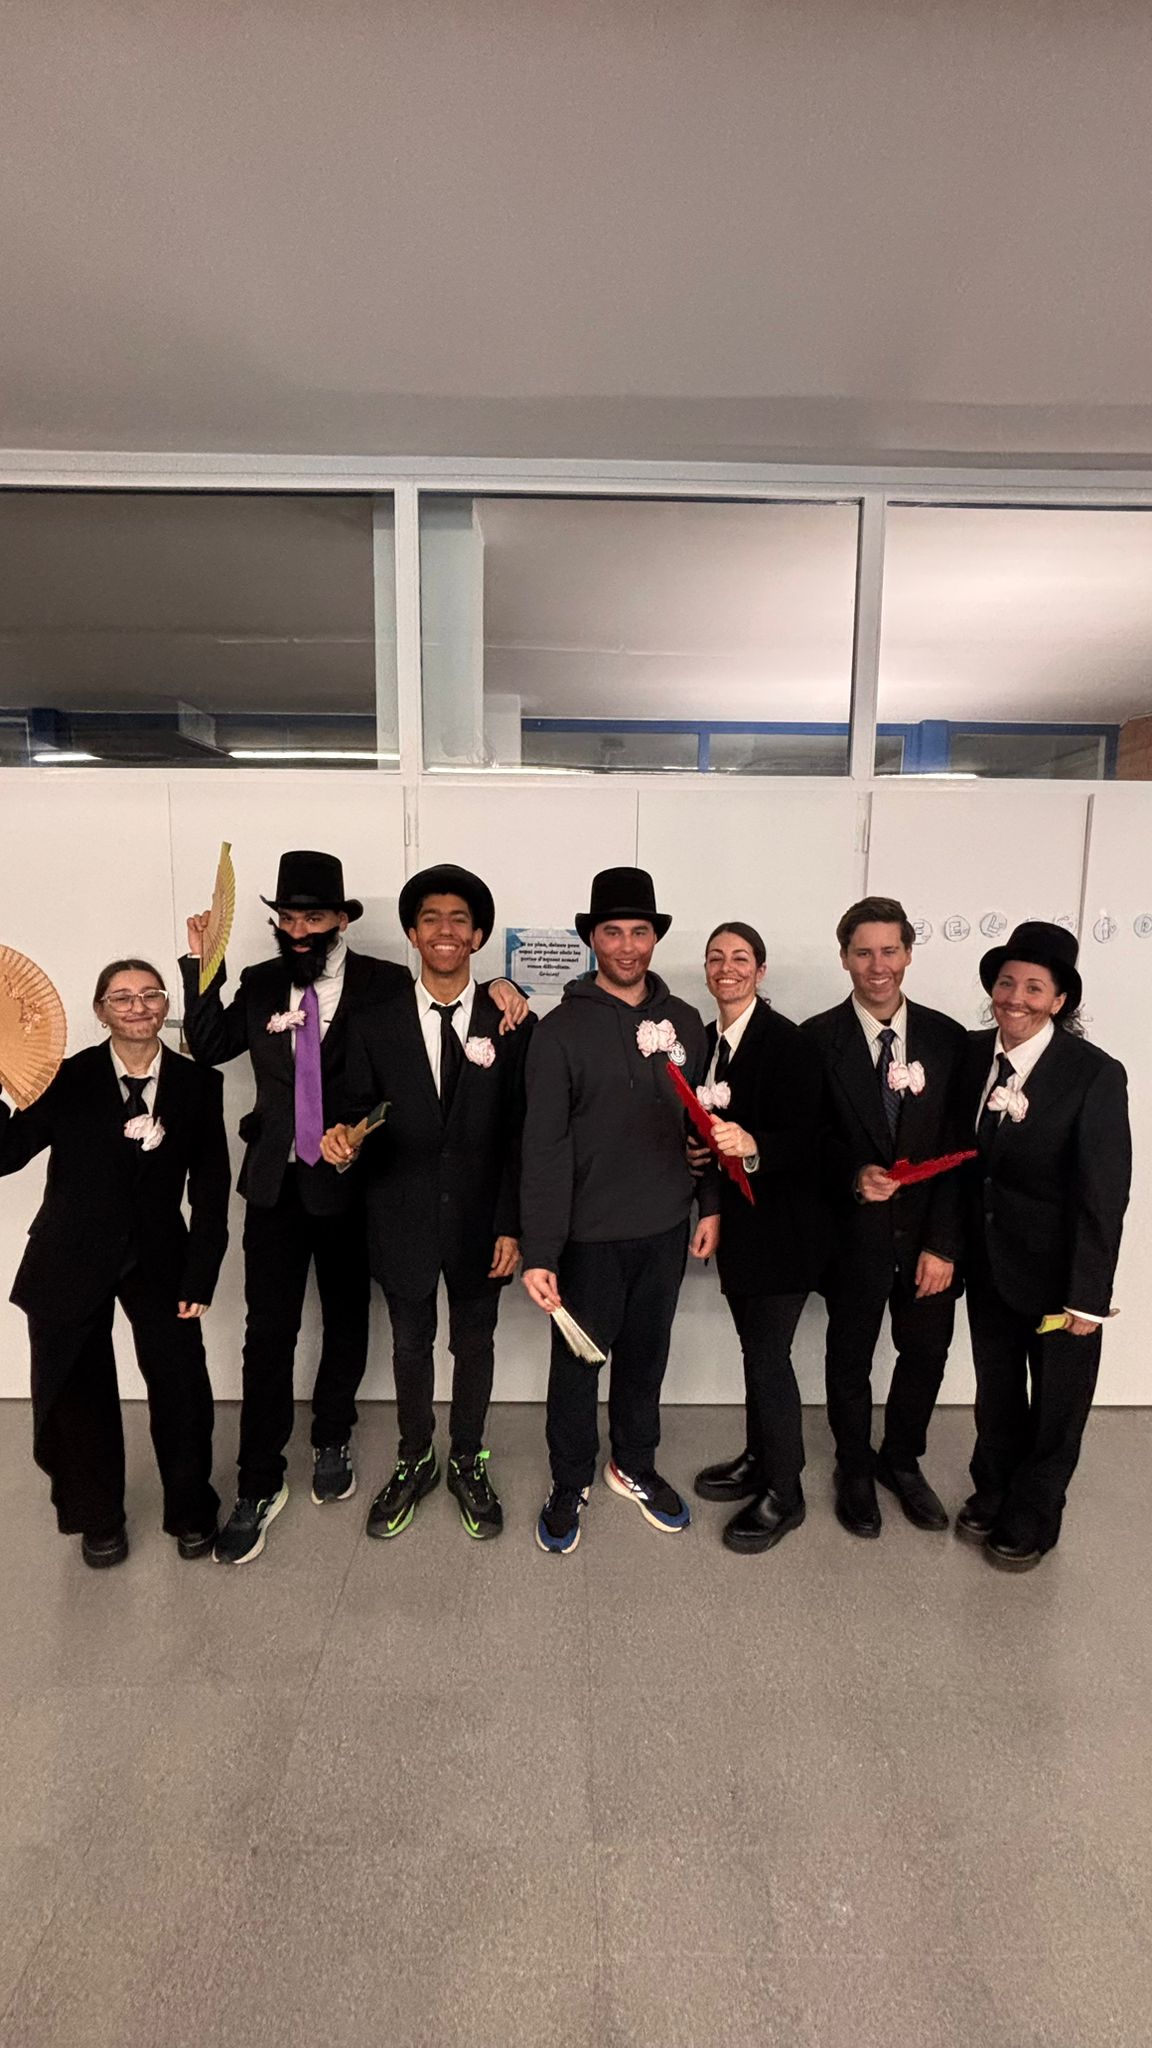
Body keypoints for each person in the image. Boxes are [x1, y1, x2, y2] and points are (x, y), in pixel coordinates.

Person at [182, 848, 527, 1564]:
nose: (299, 930)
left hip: (362, 1189)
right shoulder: (261, 982)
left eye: (314, 918)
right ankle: (262, 1480)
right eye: (288, 918)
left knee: (353, 1324)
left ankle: (346, 1440)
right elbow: (209, 1044)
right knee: (272, 1333)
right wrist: (202, 963)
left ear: (342, 920)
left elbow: (454, 998)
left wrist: (505, 986)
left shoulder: (385, 983)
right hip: (289, 1182)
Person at [322, 865, 533, 1542]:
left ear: (478, 936)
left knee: (475, 1344)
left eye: (459, 920)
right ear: (413, 934)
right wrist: (343, 1142)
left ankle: (469, 1457)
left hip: (482, 1221)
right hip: (400, 1214)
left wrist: (512, 1224)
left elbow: (521, 1133)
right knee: (410, 1345)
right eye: (431, 919)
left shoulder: (511, 1021)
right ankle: (416, 1455)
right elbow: (358, 1110)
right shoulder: (373, 1022)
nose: (446, 930)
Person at [0, 960, 229, 1568]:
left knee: (181, 1386)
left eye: (150, 994)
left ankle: (191, 1510)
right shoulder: (64, 1078)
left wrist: (202, 1272)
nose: (137, 1006)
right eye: (121, 997)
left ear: (164, 1006)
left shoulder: (198, 1084)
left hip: (162, 1258)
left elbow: (211, 1189)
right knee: (77, 1392)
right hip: (69, 1254)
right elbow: (4, 1155)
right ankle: (98, 1517)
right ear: (101, 1010)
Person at [520, 867, 720, 1555]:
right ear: (592, 939)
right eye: (613, 932)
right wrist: (541, 1251)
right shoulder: (559, 1031)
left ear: (655, 938)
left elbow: (704, 1129)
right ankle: (569, 1478)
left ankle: (633, 1463)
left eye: (639, 932)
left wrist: (709, 1206)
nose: (627, 946)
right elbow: (543, 1148)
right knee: (579, 1365)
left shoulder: (685, 1021)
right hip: (588, 1238)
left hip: (663, 1229)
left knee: (646, 1356)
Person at [954, 922, 1130, 1571]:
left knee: (1058, 1402)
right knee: (997, 1390)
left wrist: (1089, 1297)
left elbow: (1104, 1192)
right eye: (1007, 983)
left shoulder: (1094, 1074)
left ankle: (1035, 1509)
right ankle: (994, 1486)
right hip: (988, 1263)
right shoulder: (972, 1055)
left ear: (1059, 1000)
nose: (1016, 998)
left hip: (1061, 1277)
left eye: (1034, 987)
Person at [801, 896, 967, 1539]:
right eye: (864, 952)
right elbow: (807, 1141)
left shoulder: (948, 1039)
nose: (878, 966)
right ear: (844, 957)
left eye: (889, 951)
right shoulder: (816, 1039)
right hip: (853, 1238)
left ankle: (901, 1459)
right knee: (849, 1358)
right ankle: (853, 1466)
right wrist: (852, 1175)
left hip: (928, 1241)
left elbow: (963, 1150)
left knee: (925, 1353)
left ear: (908, 954)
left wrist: (944, 1245)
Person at [689, 923, 825, 1554]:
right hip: (741, 1230)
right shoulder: (708, 1043)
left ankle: (786, 1492)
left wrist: (753, 1145)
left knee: (769, 1357)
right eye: (716, 957)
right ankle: (758, 1458)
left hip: (786, 1232)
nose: (727, 967)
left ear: (761, 971)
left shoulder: (789, 1043)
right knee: (754, 1352)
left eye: (740, 958)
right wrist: (699, 1152)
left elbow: (816, 1140)